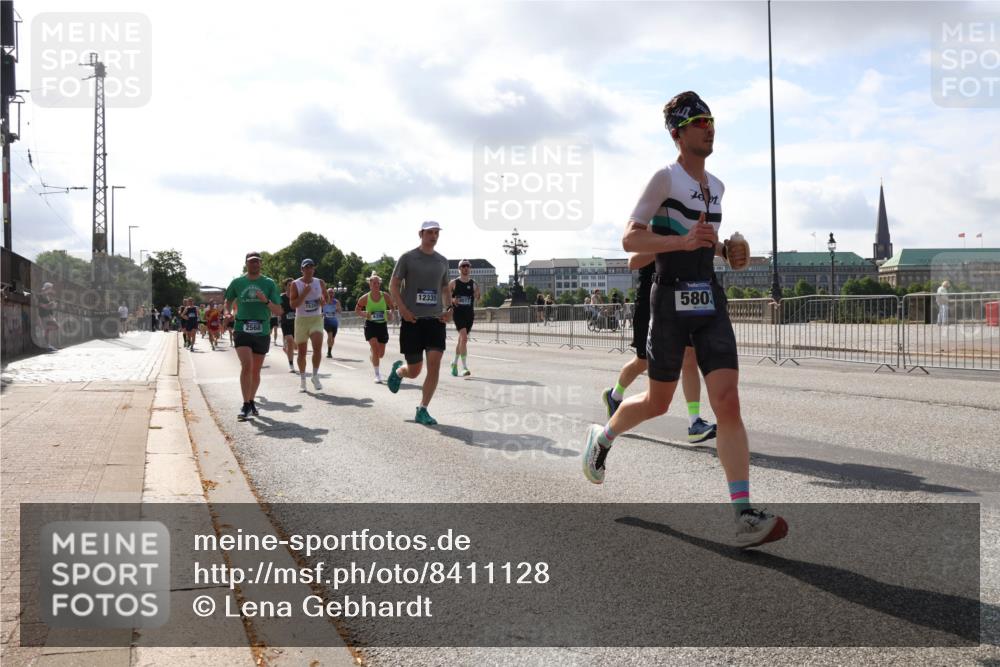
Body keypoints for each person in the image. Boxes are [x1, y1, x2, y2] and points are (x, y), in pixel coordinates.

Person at [581, 90, 786, 549]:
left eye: (711, 119)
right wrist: (684, 242)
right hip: (669, 302)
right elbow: (631, 239)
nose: (709, 127)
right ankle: (604, 435)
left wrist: (728, 250)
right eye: (699, 121)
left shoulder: (718, 186)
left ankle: (743, 513)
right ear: (678, 132)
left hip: (709, 300)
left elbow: (702, 240)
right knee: (657, 403)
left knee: (728, 401)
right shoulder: (664, 178)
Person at [602, 258, 717, 443]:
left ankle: (694, 423)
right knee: (644, 361)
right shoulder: (653, 228)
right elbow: (635, 257)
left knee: (690, 356)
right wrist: (670, 242)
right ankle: (614, 395)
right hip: (651, 298)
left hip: (684, 293)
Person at [386, 221, 452, 426]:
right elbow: (393, 285)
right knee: (414, 371)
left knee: (434, 365)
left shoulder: (442, 261)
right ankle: (399, 371)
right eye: (430, 232)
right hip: (412, 321)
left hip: (435, 321)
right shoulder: (408, 258)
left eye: (436, 233)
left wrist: (449, 310)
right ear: (420, 234)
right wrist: (403, 310)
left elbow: (445, 289)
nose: (433, 236)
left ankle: (422, 409)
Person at [224, 251, 283, 421]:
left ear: (261, 264)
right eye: (251, 262)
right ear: (246, 263)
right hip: (242, 326)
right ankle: (245, 403)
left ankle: (250, 401)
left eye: (257, 262)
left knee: (256, 370)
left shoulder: (269, 283)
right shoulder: (237, 282)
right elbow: (228, 301)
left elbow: (279, 310)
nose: (254, 264)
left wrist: (265, 301)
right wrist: (227, 313)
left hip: (262, 329)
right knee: (247, 365)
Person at [289, 258, 327, 391]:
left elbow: (326, 299)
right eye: (306, 267)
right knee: (302, 353)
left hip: (316, 318)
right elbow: (293, 304)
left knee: (317, 348)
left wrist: (323, 302)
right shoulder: (295, 284)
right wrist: (304, 294)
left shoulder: (320, 282)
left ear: (313, 269)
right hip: (301, 320)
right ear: (302, 270)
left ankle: (315, 375)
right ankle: (303, 379)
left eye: (311, 267)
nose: (309, 270)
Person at [356, 272, 393, 383]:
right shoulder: (365, 298)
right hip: (370, 325)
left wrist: (391, 313)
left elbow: (392, 307)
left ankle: (373, 356)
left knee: (380, 354)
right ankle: (377, 375)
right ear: (370, 285)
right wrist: (364, 314)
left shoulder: (385, 296)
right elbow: (357, 310)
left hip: (382, 325)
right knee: (375, 348)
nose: (376, 285)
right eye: (374, 283)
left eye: (378, 283)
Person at [449, 259, 480, 376]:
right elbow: (445, 295)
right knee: (464, 338)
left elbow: (478, 297)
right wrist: (452, 300)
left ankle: (454, 363)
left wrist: (477, 294)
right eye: (463, 266)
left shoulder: (473, 283)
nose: (465, 268)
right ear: (459, 268)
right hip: (458, 314)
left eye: (467, 266)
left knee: (461, 340)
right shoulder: (454, 283)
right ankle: (464, 367)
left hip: (469, 314)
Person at [36, 282, 59, 351]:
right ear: (47, 288)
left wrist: (52, 305)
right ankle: (47, 346)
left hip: (49, 315)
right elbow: (42, 306)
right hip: (44, 316)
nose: (51, 290)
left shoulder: (47, 296)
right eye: (50, 288)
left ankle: (48, 345)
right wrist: (50, 304)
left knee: (52, 328)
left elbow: (48, 306)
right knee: (50, 329)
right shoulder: (41, 295)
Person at [279, 278, 296, 371]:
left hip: (296, 323)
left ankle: (287, 349)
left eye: (293, 285)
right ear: (285, 286)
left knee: (295, 346)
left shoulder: (297, 296)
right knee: (290, 340)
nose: (291, 286)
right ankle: (291, 364)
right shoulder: (281, 297)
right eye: (289, 285)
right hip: (285, 323)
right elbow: (278, 309)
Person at [322, 287, 341, 359]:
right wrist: (321, 314)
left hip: (334, 322)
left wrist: (337, 308)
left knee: (332, 338)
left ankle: (330, 350)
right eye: (329, 292)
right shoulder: (324, 301)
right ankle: (329, 352)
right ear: (326, 293)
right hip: (326, 321)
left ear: (334, 294)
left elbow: (339, 311)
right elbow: (319, 309)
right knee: (329, 335)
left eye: (332, 293)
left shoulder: (336, 302)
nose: (330, 294)